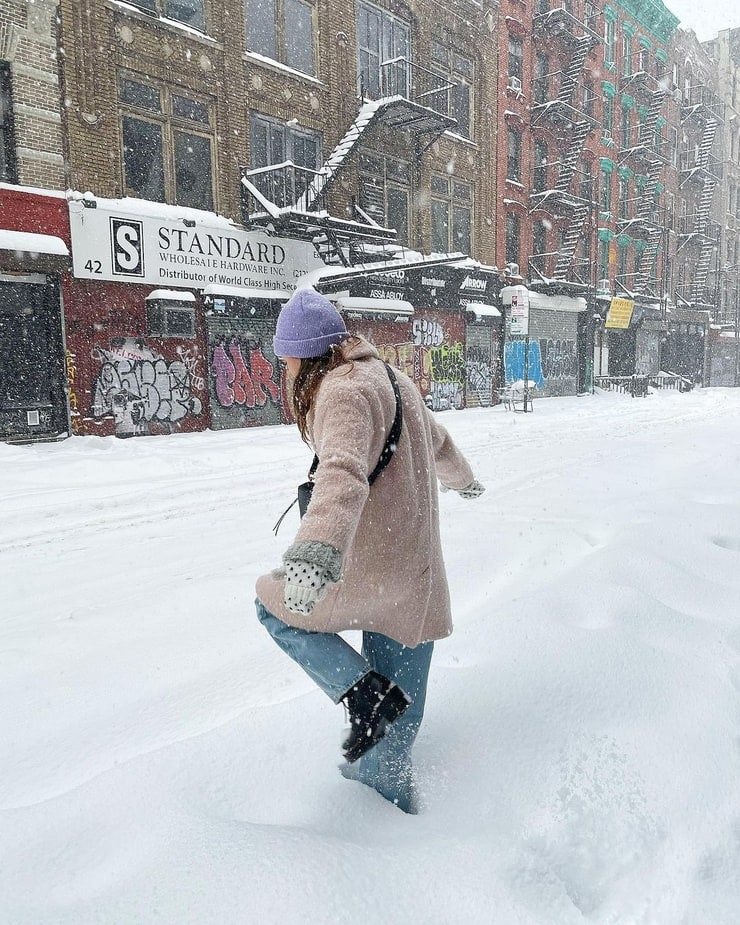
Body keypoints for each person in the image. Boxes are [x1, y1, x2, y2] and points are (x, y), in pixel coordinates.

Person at [255, 287, 484, 813]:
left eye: (285, 358)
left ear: (301, 355)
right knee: (398, 729)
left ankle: (378, 843)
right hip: (414, 576)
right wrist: (464, 481)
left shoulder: (342, 391)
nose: (284, 369)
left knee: (274, 609)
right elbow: (440, 442)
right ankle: (391, 802)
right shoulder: (393, 379)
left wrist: (313, 555)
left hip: (373, 571)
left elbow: (342, 473)